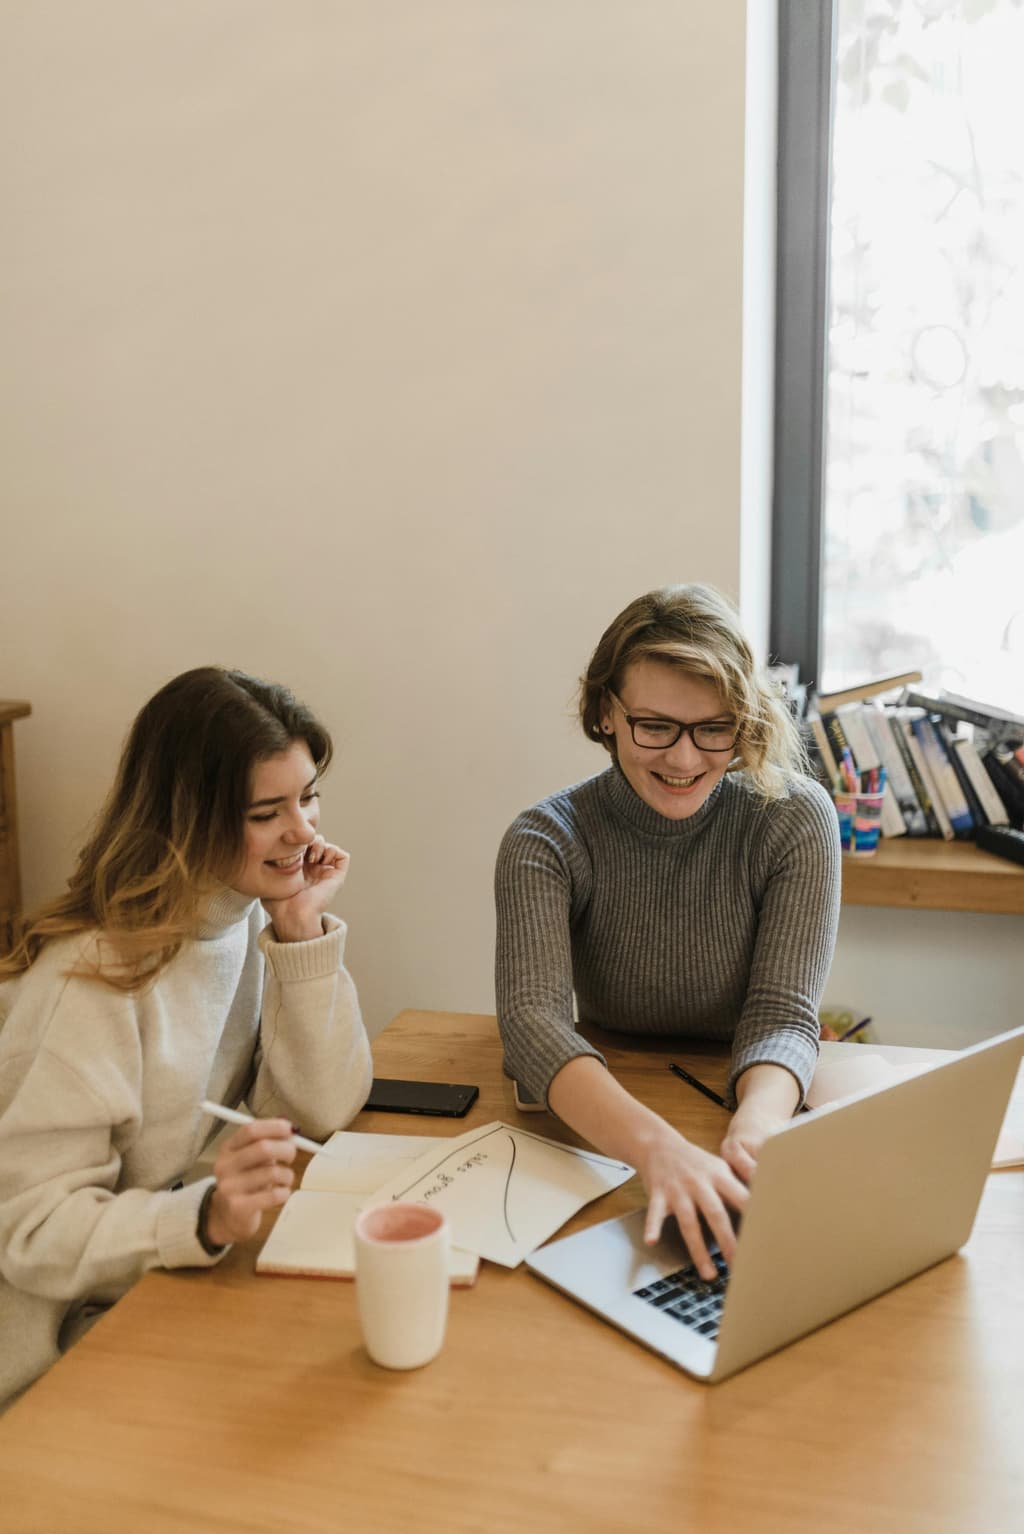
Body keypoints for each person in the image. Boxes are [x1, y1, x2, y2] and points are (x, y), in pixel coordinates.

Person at [0, 667, 373, 1409]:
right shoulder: (95, 978)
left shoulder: (247, 914)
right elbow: (32, 1231)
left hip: (164, 1279)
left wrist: (301, 937)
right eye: (267, 811)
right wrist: (198, 1218)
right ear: (188, 818)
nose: (303, 831)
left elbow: (325, 1107)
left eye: (308, 796)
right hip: (57, 1353)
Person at [495, 584, 840, 1281]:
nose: (684, 760)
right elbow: (534, 1028)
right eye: (655, 726)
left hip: (736, 1089)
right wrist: (657, 1150)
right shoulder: (546, 839)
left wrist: (760, 1125)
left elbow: (782, 1013)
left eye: (713, 728)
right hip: (613, 1111)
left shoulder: (794, 818)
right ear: (605, 714)